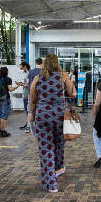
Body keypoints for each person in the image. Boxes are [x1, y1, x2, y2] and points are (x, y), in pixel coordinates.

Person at [29, 54, 76, 193]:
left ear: (44, 64)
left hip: (42, 116)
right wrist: (69, 84)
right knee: (59, 141)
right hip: (59, 115)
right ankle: (59, 167)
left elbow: (32, 99)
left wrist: (32, 114)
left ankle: (51, 184)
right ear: (57, 63)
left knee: (46, 148)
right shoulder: (63, 76)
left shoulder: (37, 78)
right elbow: (72, 94)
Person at [0, 67, 20, 137]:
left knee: (1, 114)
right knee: (4, 116)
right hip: (5, 99)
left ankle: (1, 131)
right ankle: (3, 131)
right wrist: (17, 86)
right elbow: (10, 89)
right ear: (6, 72)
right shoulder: (8, 79)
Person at [17, 62, 31, 133]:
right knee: (26, 110)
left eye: (21, 66)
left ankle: (28, 125)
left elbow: (27, 85)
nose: (20, 68)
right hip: (25, 94)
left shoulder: (29, 74)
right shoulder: (25, 74)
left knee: (27, 110)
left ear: (25, 66)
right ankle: (27, 124)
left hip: (27, 94)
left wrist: (20, 84)